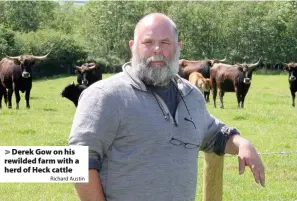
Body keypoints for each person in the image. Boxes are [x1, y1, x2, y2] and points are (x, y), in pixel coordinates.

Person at [68, 13, 265, 201]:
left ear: (178, 47)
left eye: (165, 42)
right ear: (132, 46)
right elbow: (80, 161)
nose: (157, 49)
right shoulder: (105, 95)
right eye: (148, 42)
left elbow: (214, 135)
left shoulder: (192, 96)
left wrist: (241, 143)